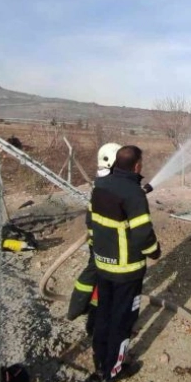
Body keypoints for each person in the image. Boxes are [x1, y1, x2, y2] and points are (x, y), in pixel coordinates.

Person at [84, 145, 161, 382]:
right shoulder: (134, 195)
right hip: (127, 271)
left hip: (103, 266)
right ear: (137, 166)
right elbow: (143, 234)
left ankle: (99, 364)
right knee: (122, 321)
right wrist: (155, 251)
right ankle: (112, 372)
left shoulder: (100, 186)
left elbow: (93, 221)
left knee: (104, 316)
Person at [67, 143, 122, 339]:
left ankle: (86, 312)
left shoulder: (104, 181)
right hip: (107, 244)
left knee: (98, 275)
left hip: (100, 241)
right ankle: (81, 310)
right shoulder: (111, 184)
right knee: (100, 276)